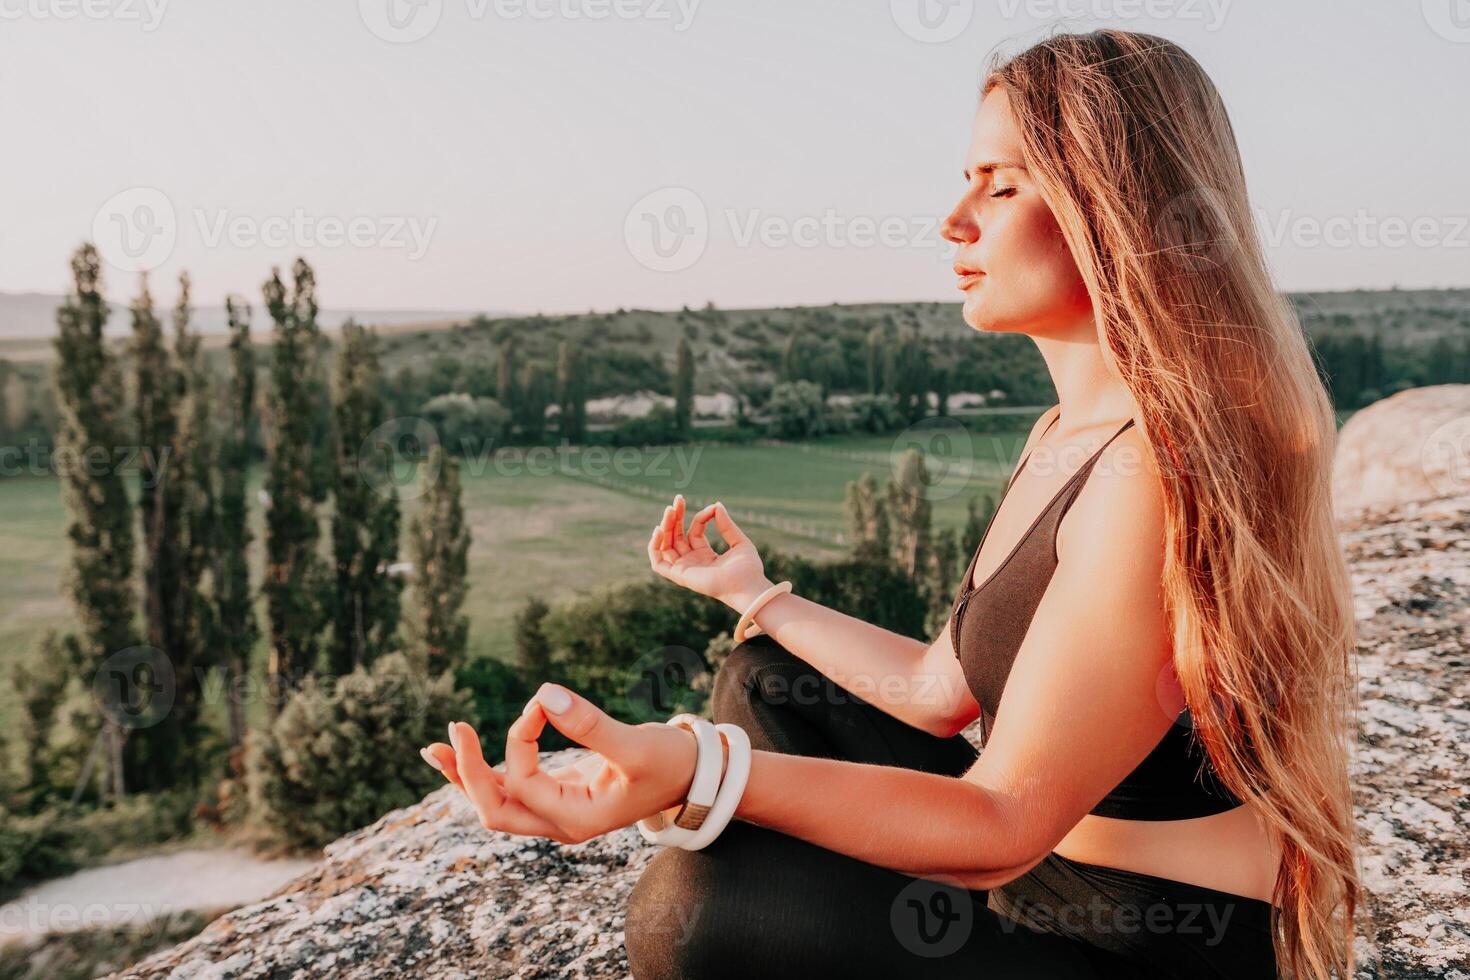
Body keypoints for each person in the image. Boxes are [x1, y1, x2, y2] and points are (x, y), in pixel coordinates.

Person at [419, 29, 1361, 980]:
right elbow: (939, 691)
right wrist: (758, 596)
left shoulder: (1154, 475)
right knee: (760, 674)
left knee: (695, 917)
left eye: (1001, 186)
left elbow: (1002, 826)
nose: (955, 220)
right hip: (1038, 883)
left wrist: (694, 768)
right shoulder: (1064, 436)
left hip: (1137, 941)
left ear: (1116, 211)